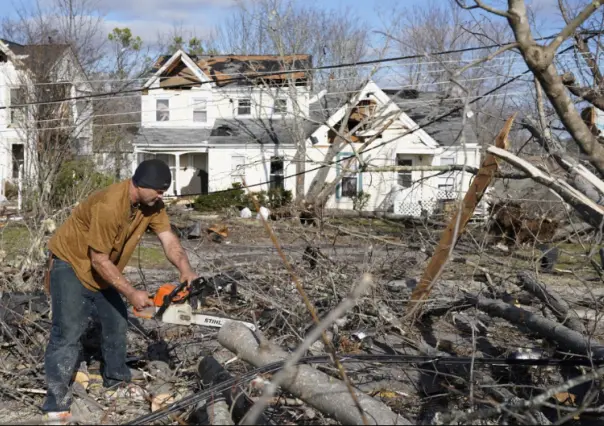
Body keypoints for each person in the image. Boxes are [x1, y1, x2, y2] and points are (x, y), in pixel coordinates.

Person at [42, 159, 198, 422]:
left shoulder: (153, 205)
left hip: (101, 268)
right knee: (67, 333)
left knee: (116, 321)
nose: (162, 195)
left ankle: (115, 381)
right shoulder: (110, 205)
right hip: (71, 264)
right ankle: (55, 404)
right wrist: (131, 293)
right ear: (140, 184)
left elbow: (169, 239)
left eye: (163, 191)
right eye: (158, 190)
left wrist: (186, 269)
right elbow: (98, 259)